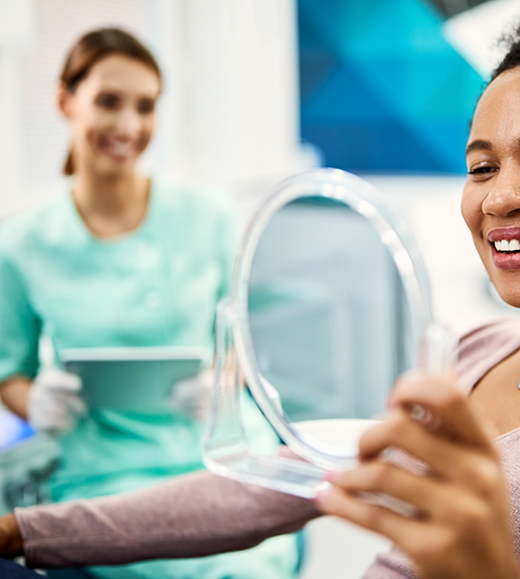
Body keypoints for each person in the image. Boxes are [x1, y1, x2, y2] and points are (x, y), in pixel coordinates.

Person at [0, 2, 520, 578]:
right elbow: (261, 493)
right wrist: (22, 531)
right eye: (481, 166)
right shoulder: (474, 359)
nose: (500, 197)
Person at [0, 28, 300, 578]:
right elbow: (8, 374)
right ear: (65, 101)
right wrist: (35, 402)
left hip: (215, 452)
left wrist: (219, 381)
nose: (130, 126)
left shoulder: (207, 218)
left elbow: (242, 348)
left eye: (146, 106)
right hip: (100, 470)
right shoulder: (21, 246)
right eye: (109, 102)